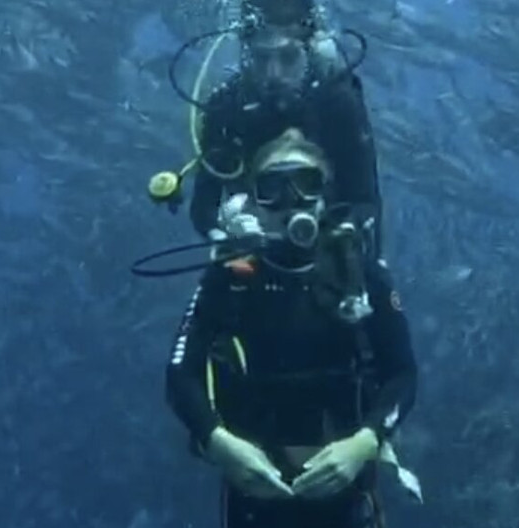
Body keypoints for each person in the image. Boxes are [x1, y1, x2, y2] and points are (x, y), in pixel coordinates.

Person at [166, 128, 418, 528]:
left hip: (348, 489)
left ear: (324, 196)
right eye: (272, 187)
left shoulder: (361, 275)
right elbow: (181, 373)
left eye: (306, 184)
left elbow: (403, 372)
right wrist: (220, 443)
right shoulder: (229, 277)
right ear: (254, 202)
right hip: (253, 491)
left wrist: (363, 443)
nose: (290, 202)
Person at [189, 0, 384, 261]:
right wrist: (225, 233)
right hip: (251, 253)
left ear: (312, 50)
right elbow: (203, 207)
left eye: (288, 58)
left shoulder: (337, 104)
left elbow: (366, 201)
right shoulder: (226, 110)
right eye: (261, 59)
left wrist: (344, 235)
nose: (273, 73)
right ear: (246, 55)